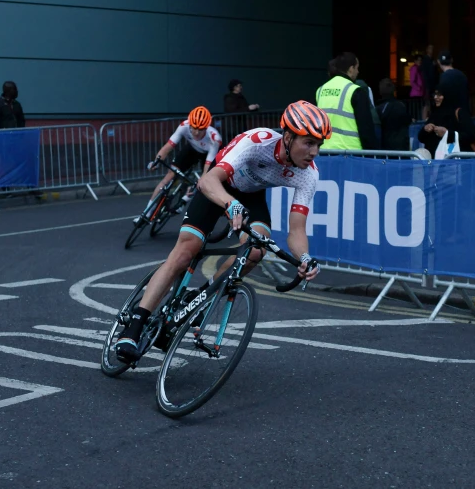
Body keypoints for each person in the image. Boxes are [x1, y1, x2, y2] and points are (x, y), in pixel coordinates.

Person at [115, 101, 330, 362]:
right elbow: (208, 180)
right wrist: (230, 204)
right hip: (218, 187)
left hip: (251, 196)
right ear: (287, 137)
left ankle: (200, 297)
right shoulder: (257, 142)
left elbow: (296, 229)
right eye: (308, 142)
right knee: (185, 252)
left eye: (318, 144)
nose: (314, 151)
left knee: (256, 251)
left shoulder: (309, 174)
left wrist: (305, 258)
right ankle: (135, 326)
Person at [134, 106, 221, 223]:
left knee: (204, 182)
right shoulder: (184, 126)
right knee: (169, 176)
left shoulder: (214, 139)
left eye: (200, 130)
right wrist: (156, 162)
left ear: (206, 128)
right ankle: (146, 214)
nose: (195, 132)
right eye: (193, 128)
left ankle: (185, 199)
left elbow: (207, 167)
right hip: (191, 150)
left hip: (208, 155)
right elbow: (167, 147)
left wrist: (201, 181)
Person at [316, 52, 380, 150]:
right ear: (351, 69)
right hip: (350, 153)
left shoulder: (321, 90)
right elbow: (366, 129)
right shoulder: (355, 91)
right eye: (357, 68)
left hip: (325, 151)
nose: (358, 72)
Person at [375, 78, 412, 151]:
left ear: (380, 91)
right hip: (402, 149)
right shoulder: (401, 105)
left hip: (386, 150)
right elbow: (408, 120)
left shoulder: (380, 109)